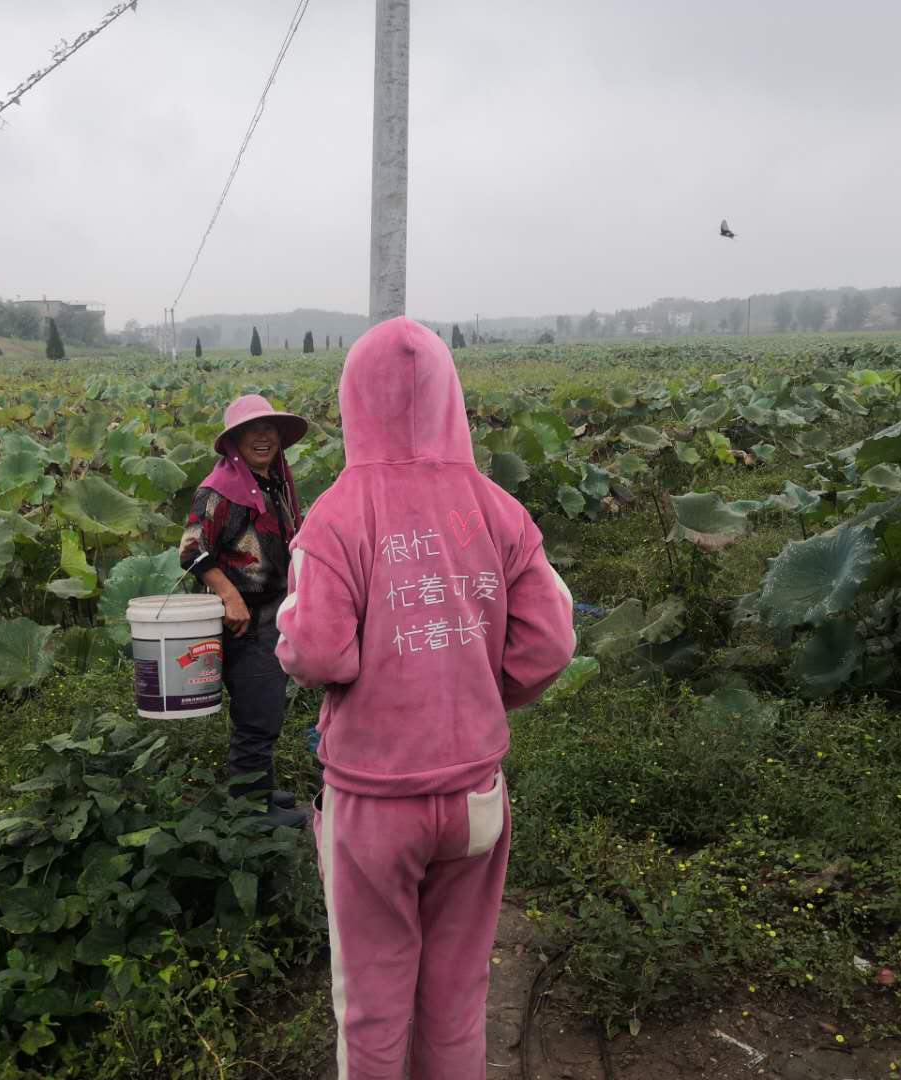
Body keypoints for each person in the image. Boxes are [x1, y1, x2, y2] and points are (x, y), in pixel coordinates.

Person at [275, 317, 576, 1079]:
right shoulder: (500, 510)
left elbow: (315, 651)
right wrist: (480, 691)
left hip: (374, 800)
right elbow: (551, 644)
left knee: (373, 1000)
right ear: (452, 397)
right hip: (475, 791)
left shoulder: (336, 517)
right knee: (456, 991)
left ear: (351, 404)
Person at [180, 394, 310, 829]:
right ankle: (250, 811)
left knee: (267, 704)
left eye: (269, 429)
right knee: (258, 711)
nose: (262, 437)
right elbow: (192, 551)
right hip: (246, 620)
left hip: (275, 613)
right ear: (235, 441)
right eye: (251, 431)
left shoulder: (273, 483)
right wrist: (228, 595)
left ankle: (256, 788)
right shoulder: (221, 491)